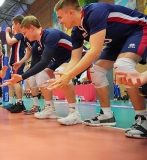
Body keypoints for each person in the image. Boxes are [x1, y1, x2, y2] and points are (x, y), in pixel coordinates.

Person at [51, 0, 147, 138]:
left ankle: (143, 118)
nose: (59, 22)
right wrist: (63, 76)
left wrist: (69, 75)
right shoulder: (76, 32)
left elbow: (95, 51)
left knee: (123, 65)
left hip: (139, 29)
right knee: (96, 71)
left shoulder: (94, 12)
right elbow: (74, 59)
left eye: (60, 17)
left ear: (71, 13)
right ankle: (107, 115)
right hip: (117, 43)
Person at [4, 15, 82, 125]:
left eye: (25, 33)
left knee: (61, 72)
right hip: (61, 61)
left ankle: (74, 113)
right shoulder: (36, 45)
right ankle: (50, 109)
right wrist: (20, 78)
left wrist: (21, 76)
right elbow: (35, 67)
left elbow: (44, 62)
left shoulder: (50, 35)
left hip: (77, 57)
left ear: (32, 27)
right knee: (40, 75)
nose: (24, 36)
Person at [4, 15, 27, 113]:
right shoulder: (18, 35)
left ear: (18, 24)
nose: (12, 26)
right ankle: (18, 102)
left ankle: (20, 103)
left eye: (13, 24)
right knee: (14, 82)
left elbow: (9, 42)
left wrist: (6, 32)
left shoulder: (20, 34)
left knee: (17, 82)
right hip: (15, 62)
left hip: (18, 61)